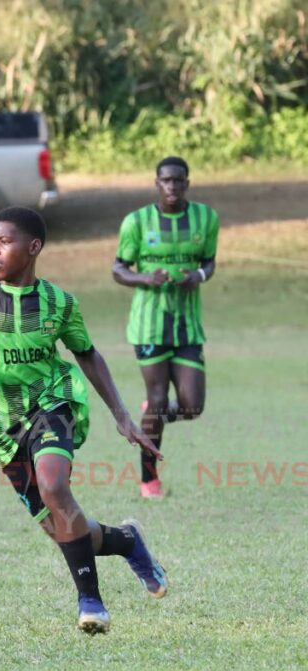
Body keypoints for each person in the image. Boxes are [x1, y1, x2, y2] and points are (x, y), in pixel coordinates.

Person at [0, 206, 168, 634]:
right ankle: (128, 542)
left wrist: (122, 415)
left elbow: (87, 354)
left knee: (55, 486)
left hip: (51, 403)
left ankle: (91, 603)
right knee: (61, 529)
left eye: (4, 242)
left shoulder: (59, 304)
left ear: (33, 247)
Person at [112, 156, 218, 498]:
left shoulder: (206, 218)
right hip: (149, 325)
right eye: (165, 181)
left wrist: (198, 276)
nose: (171, 186)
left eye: (178, 180)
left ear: (187, 183)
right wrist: (145, 277)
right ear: (157, 183)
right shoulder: (137, 222)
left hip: (187, 325)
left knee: (191, 405)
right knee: (157, 399)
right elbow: (118, 269)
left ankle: (151, 417)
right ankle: (149, 480)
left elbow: (209, 261)